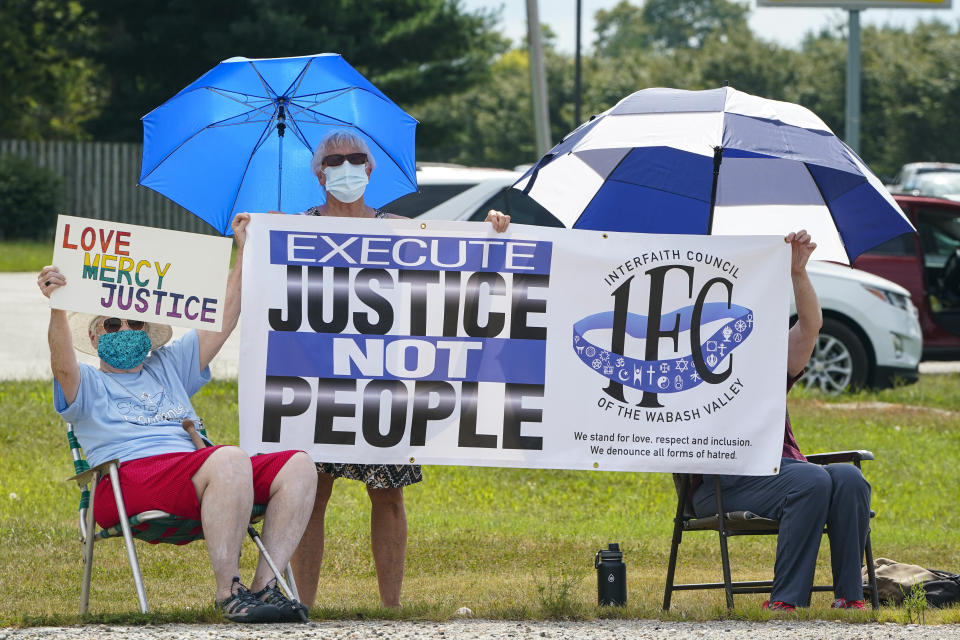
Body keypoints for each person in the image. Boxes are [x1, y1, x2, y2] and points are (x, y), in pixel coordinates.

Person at [39, 213, 318, 624]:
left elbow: (223, 320)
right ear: (95, 335)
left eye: (135, 322)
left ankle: (264, 588)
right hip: (126, 479)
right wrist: (57, 308)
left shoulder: (168, 365)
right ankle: (229, 594)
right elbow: (62, 366)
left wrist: (245, 253)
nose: (125, 329)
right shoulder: (86, 384)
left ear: (148, 331)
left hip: (194, 477)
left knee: (298, 465)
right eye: (112, 324)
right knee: (228, 457)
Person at [289, 129, 510, 609]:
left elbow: (455, 264)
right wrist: (252, 236)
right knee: (310, 495)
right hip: (317, 379)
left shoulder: (398, 226)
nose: (345, 166)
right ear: (318, 171)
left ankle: (392, 609)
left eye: (355, 158)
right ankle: (301, 607)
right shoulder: (295, 229)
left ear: (370, 168)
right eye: (335, 159)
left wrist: (490, 232)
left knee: (386, 493)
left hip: (383, 379)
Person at [692, 230, 872, 611]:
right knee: (810, 479)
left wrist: (797, 272)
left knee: (850, 478)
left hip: (784, 473)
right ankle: (786, 601)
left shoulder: (764, 360)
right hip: (721, 483)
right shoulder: (689, 373)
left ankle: (849, 597)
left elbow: (810, 327)